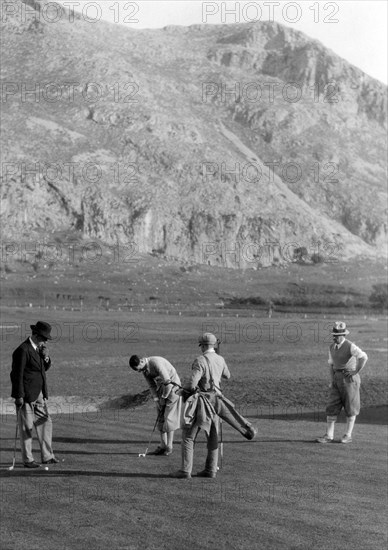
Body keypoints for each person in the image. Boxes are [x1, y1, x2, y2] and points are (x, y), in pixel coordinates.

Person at [170, 333, 257, 479]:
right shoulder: (220, 359)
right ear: (214, 345)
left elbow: (192, 385)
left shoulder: (200, 360)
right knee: (213, 435)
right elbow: (227, 375)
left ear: (203, 346)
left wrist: (182, 389)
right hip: (218, 399)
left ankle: (185, 470)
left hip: (203, 402)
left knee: (188, 436)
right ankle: (211, 470)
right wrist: (219, 362)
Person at [10, 321, 59, 468]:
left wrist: (46, 357)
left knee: (46, 422)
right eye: (44, 337)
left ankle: (47, 456)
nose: (46, 340)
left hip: (39, 393)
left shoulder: (39, 349)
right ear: (37, 335)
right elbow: (16, 375)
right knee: (26, 428)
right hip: (25, 395)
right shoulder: (23, 350)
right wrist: (18, 396)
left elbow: (44, 368)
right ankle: (28, 460)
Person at [316, 321, 368, 444]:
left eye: (336, 335)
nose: (334, 337)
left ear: (343, 335)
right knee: (331, 406)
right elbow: (331, 364)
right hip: (336, 378)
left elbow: (363, 357)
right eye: (333, 335)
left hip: (349, 379)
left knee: (351, 407)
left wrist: (355, 371)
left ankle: (347, 435)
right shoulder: (331, 347)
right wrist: (332, 380)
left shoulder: (350, 346)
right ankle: (329, 435)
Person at [129, 355, 182, 455]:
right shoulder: (145, 370)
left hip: (174, 388)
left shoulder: (155, 363)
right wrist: (157, 400)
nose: (139, 372)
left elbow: (168, 383)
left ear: (141, 361)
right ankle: (163, 445)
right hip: (162, 389)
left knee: (169, 418)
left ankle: (169, 447)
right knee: (160, 417)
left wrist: (164, 398)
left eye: (138, 369)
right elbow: (151, 386)